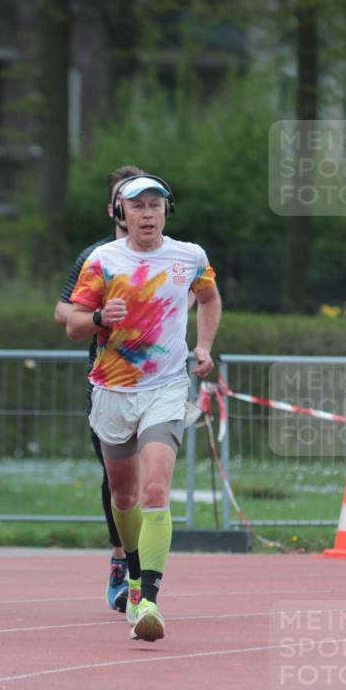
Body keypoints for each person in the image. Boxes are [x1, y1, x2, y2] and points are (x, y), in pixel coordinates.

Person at [67, 174, 222, 641]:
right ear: (121, 214)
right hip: (113, 390)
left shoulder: (189, 256)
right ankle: (132, 579)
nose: (148, 213)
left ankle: (150, 600)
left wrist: (204, 346)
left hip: (167, 387)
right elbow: (73, 325)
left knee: (156, 490)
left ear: (167, 211)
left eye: (155, 205)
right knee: (124, 497)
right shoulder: (102, 260)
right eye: (137, 206)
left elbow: (210, 298)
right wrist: (98, 317)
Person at [55, 165, 143, 614]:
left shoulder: (171, 255)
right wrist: (99, 318)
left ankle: (143, 576)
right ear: (113, 207)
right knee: (117, 478)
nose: (136, 208)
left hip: (159, 382)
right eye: (126, 199)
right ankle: (119, 556)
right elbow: (62, 312)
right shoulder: (96, 256)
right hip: (108, 381)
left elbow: (197, 292)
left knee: (153, 479)